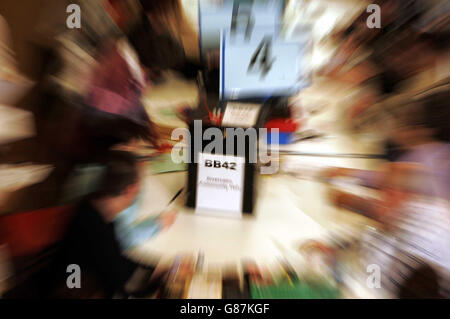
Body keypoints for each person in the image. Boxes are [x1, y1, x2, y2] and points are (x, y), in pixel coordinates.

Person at [48, 151, 175, 298]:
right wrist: (166, 274)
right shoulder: (99, 231)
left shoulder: (93, 209)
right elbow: (127, 286)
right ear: (131, 190)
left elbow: (119, 263)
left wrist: (158, 268)